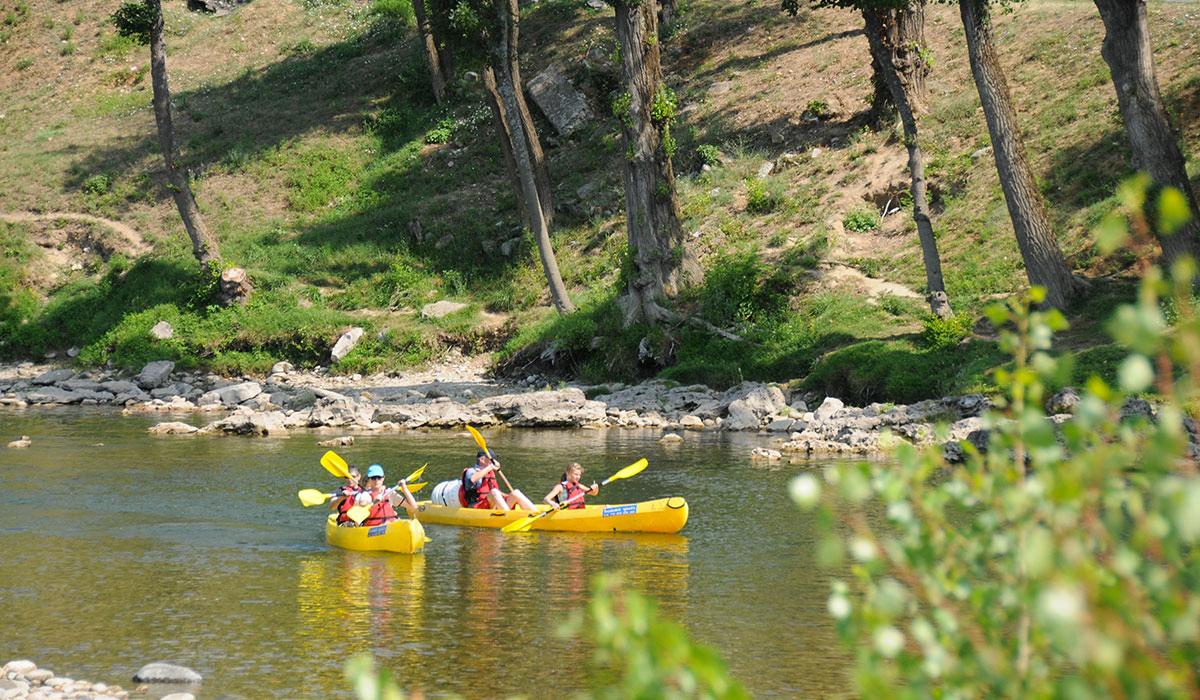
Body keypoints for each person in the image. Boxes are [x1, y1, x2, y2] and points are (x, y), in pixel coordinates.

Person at [462, 449, 535, 511]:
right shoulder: (472, 471)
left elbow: (496, 493)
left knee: (515, 493)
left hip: (492, 505)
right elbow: (472, 480)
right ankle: (508, 516)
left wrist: (509, 496)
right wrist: (489, 467)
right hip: (478, 507)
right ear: (482, 460)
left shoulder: (490, 472)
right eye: (491, 459)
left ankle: (535, 514)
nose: (494, 461)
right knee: (494, 492)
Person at [354, 464, 419, 527]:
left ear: (383, 478)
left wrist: (404, 488)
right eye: (373, 478)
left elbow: (413, 506)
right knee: (388, 523)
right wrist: (374, 501)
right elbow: (362, 505)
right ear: (369, 479)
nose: (376, 480)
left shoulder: (390, 493)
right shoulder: (365, 495)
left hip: (391, 527)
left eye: (379, 478)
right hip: (373, 529)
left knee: (405, 522)